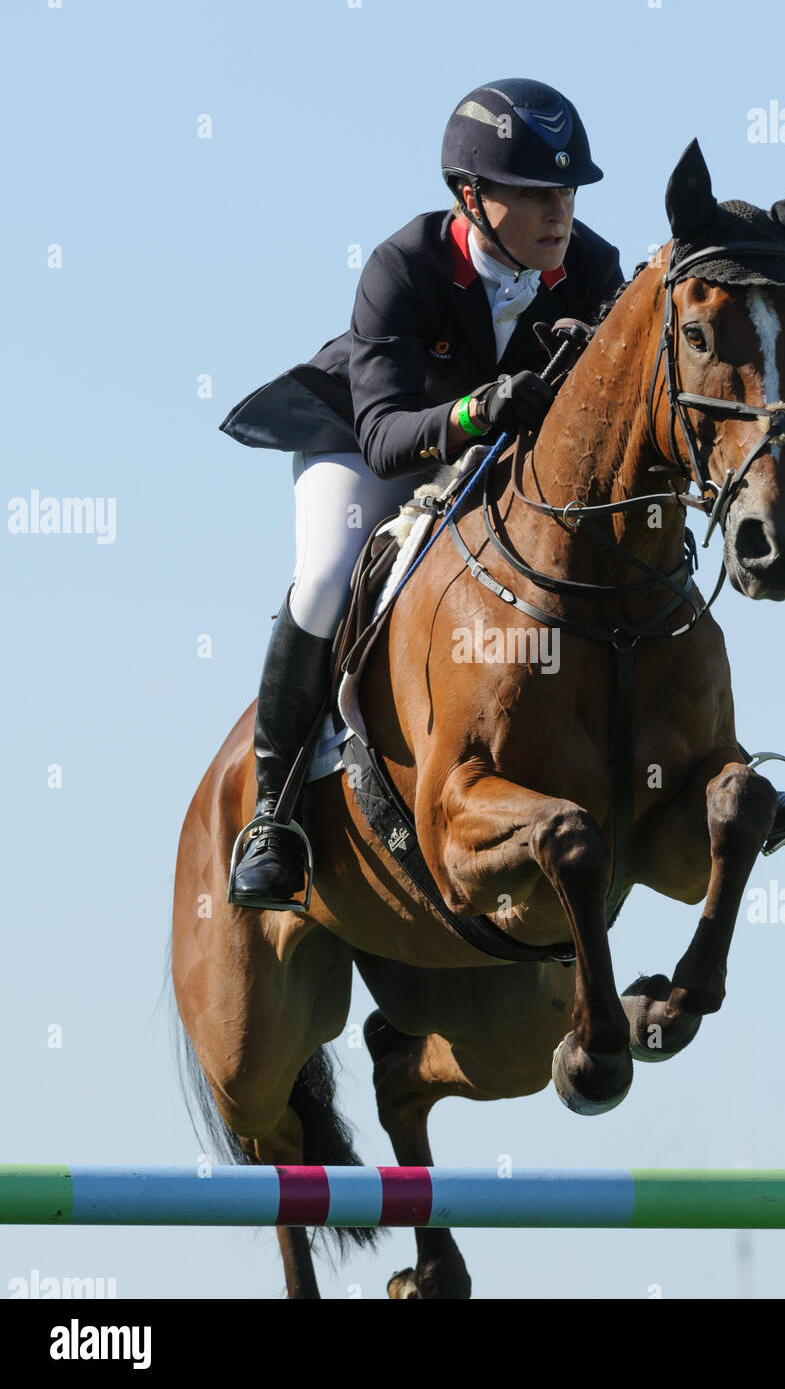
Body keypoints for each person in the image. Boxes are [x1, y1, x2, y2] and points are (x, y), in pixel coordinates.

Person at [219, 78, 626, 909]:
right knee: (330, 575)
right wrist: (481, 407)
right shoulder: (403, 266)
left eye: (568, 192)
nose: (560, 213)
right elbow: (385, 436)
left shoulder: (592, 269)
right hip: (366, 443)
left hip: (491, 458)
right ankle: (274, 814)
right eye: (534, 193)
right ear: (471, 196)